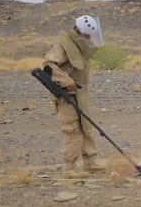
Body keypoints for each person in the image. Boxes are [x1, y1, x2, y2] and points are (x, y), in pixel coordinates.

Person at [42, 14, 105, 176]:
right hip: (67, 95)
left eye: (89, 35)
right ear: (78, 30)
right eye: (86, 35)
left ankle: (90, 161)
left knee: (86, 127)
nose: (88, 38)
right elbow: (49, 65)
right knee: (72, 129)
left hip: (80, 93)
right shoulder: (63, 45)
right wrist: (65, 81)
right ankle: (69, 167)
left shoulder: (78, 46)